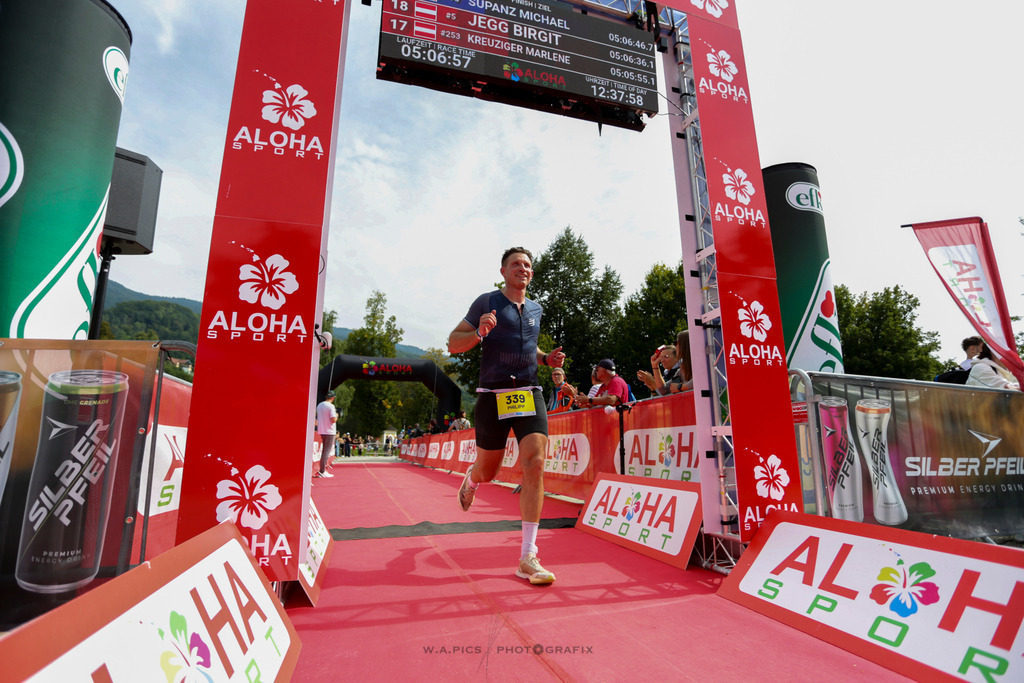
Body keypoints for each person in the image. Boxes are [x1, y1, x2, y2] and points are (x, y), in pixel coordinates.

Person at [447, 246, 566, 585]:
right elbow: (453, 342)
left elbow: (528, 347)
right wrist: (478, 333)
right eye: (515, 264)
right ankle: (472, 479)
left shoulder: (536, 309)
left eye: (527, 264)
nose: (522, 268)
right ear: (503, 271)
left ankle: (528, 556)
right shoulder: (487, 302)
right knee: (489, 471)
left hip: (529, 393)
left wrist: (545, 359)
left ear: (532, 273)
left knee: (535, 462)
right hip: (492, 396)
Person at [314, 391, 338, 478]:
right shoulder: (331, 406)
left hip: (322, 430)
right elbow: (333, 420)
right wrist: (337, 415)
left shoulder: (319, 405)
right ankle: (322, 470)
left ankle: (322, 470)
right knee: (326, 451)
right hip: (329, 431)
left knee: (325, 451)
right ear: (333, 398)